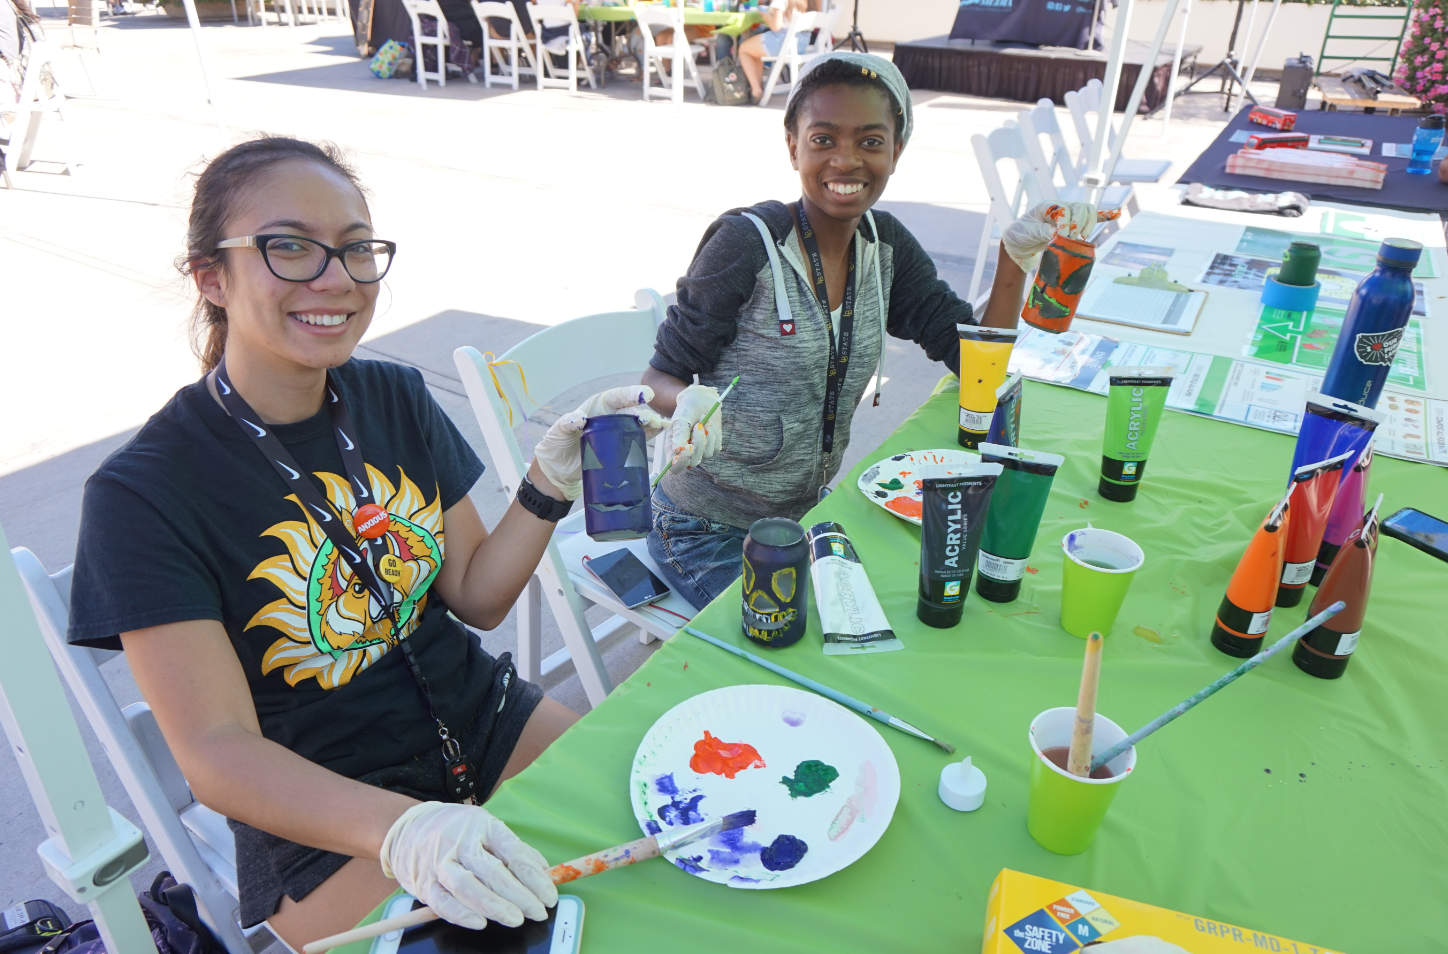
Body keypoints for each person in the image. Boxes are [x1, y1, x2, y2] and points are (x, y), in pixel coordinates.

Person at [65, 137, 665, 948]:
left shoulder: (393, 394)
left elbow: (479, 598)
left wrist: (546, 485)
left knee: (664, 844)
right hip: (323, 816)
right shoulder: (144, 493)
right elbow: (215, 751)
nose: (336, 279)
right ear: (212, 276)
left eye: (355, 249)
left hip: (482, 717)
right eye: (290, 248)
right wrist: (406, 829)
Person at [641, 52, 1095, 609]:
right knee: (793, 639)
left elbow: (980, 368)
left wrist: (1013, 264)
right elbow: (658, 377)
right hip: (702, 525)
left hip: (807, 513)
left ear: (896, 151)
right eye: (824, 139)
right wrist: (687, 403)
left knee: (922, 603)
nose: (846, 161)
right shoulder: (745, 244)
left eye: (871, 142)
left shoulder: (886, 248)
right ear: (793, 145)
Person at [737, 0, 814, 104]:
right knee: (755, 52)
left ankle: (756, 90)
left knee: (743, 49)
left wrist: (767, 17)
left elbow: (776, 26)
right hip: (800, 43)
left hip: (782, 42)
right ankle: (757, 86)